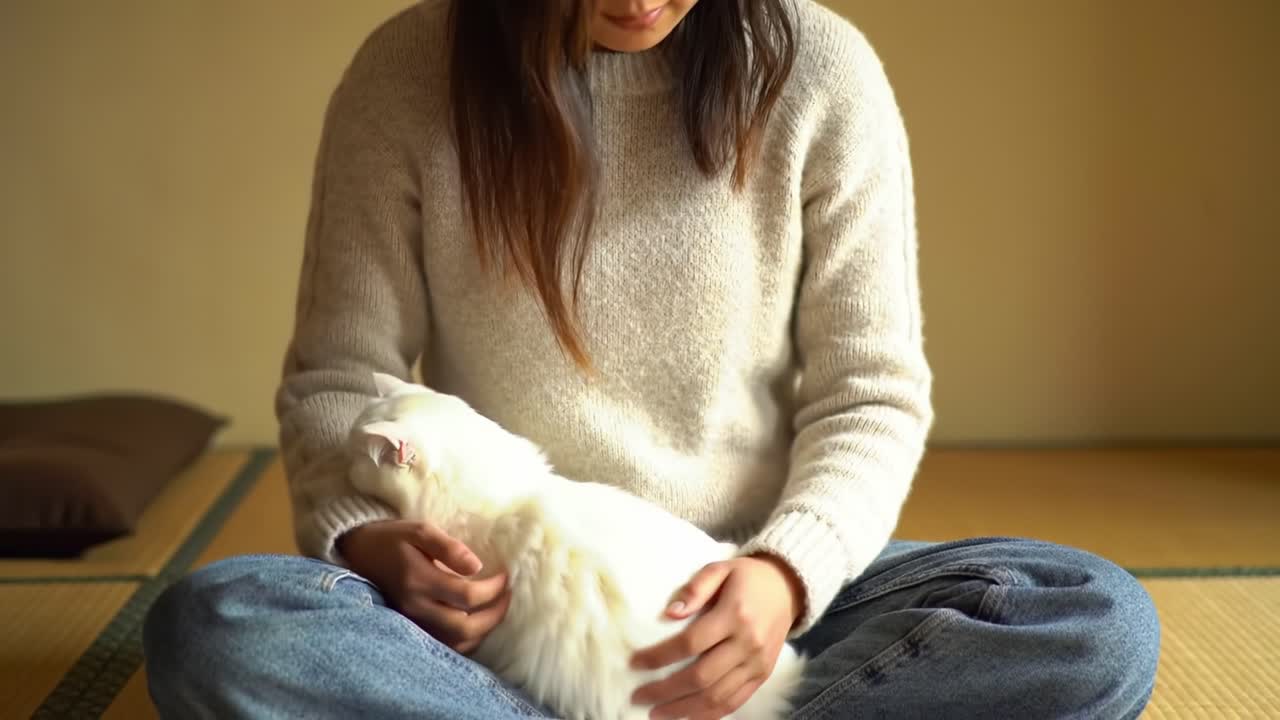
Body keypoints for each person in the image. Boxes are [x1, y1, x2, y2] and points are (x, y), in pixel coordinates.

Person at [142, 1, 1161, 718]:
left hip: (749, 601)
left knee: (1091, 621)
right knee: (219, 622)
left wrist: (783, 576)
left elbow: (871, 395)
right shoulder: (406, 75)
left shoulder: (820, 70)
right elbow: (340, 376)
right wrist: (368, 542)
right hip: (497, 625)